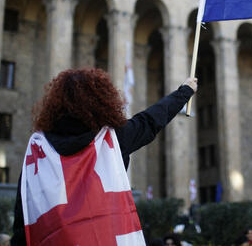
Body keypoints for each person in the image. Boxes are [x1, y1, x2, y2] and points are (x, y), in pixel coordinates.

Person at [11, 68, 197, 245]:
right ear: (101, 102)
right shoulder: (112, 140)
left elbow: (23, 217)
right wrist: (184, 92)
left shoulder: (38, 150)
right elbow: (149, 121)